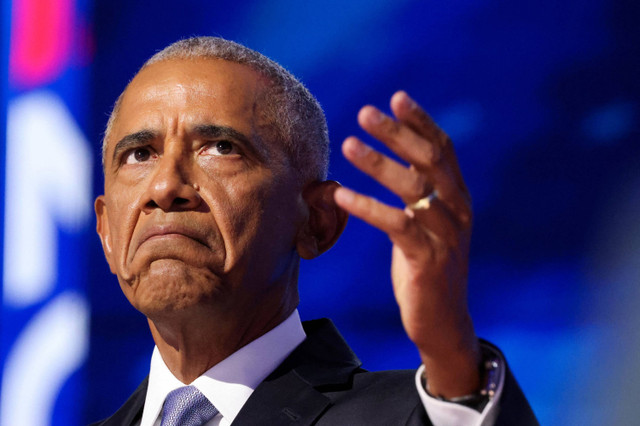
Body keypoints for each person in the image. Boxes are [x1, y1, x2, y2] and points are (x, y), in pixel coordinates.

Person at [91, 37, 537, 425]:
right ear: (107, 233)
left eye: (221, 148)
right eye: (139, 154)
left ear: (317, 221)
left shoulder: (409, 415)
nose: (166, 186)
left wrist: (452, 356)